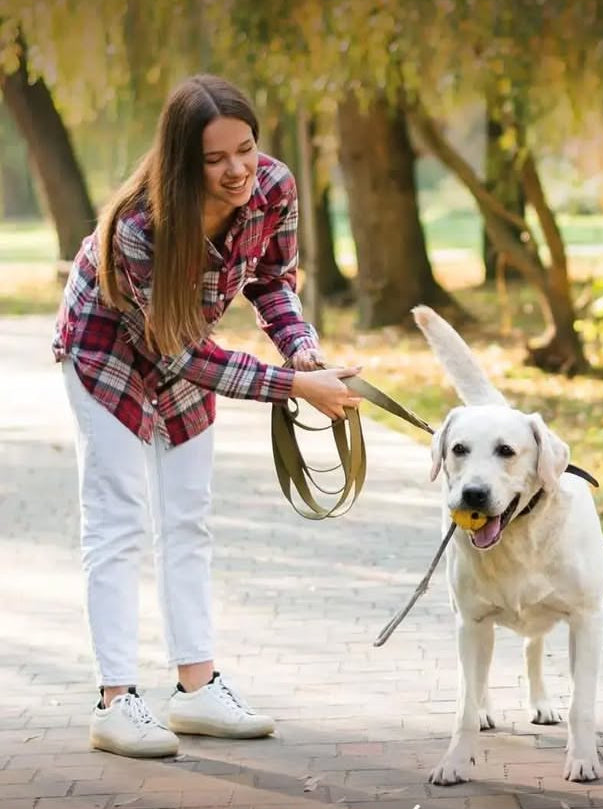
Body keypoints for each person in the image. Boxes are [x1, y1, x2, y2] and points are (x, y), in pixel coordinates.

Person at [52, 74, 362, 758]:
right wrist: (291, 387)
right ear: (182, 163)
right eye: (214, 159)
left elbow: (271, 281)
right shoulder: (142, 227)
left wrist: (302, 352)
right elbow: (182, 349)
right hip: (108, 350)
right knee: (119, 519)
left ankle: (195, 688)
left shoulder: (274, 187)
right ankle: (115, 701)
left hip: (185, 349)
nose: (237, 170)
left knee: (187, 516)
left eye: (245, 149)